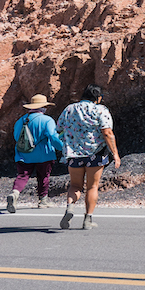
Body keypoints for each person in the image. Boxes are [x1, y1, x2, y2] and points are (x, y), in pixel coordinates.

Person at [55, 83, 121, 230]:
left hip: (73, 154)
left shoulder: (69, 109)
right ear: (98, 97)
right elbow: (107, 133)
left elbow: (58, 128)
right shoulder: (100, 109)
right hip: (95, 154)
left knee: (75, 185)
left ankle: (70, 208)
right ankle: (87, 220)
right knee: (92, 186)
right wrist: (115, 154)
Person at [7, 93, 64, 212]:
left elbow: (16, 136)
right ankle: (43, 201)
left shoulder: (21, 120)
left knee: (23, 175)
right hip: (44, 154)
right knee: (43, 177)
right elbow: (53, 137)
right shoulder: (47, 120)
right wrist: (61, 147)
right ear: (43, 108)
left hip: (23, 154)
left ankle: (15, 193)